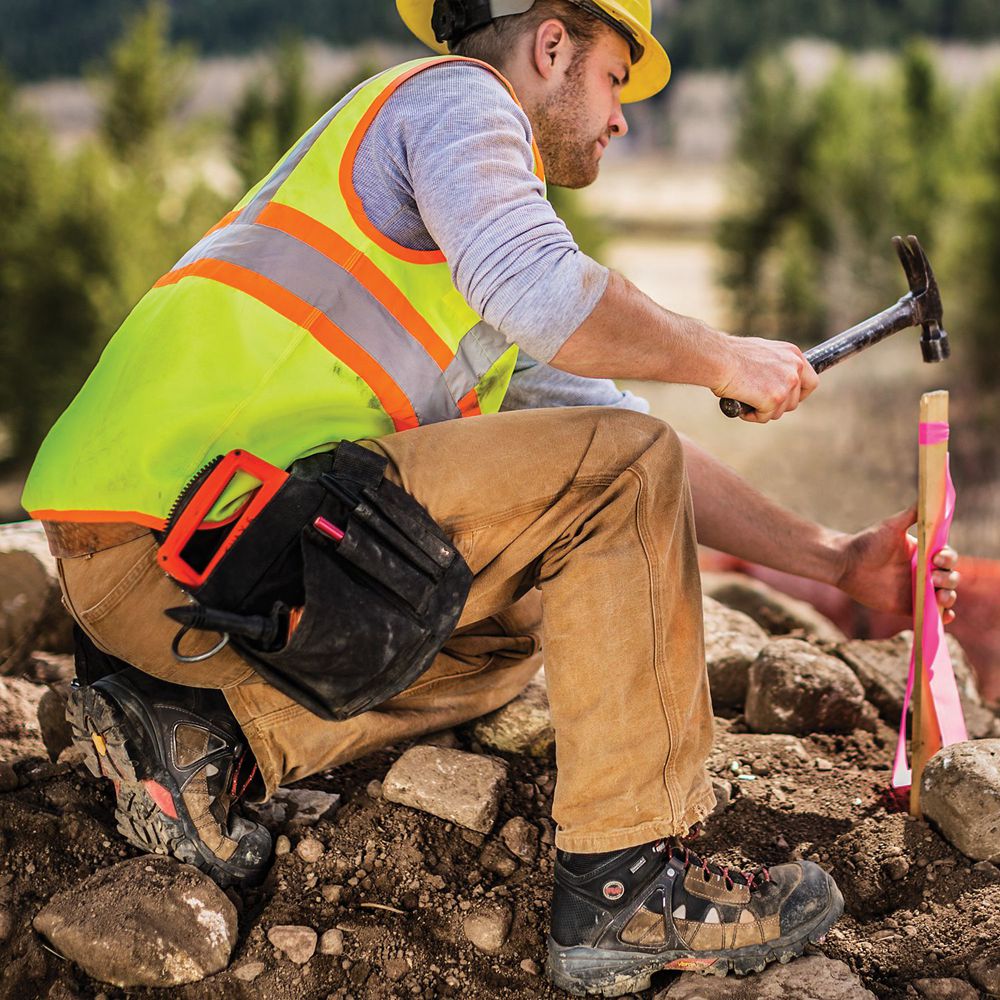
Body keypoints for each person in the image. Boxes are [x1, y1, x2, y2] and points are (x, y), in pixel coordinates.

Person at [22, 0, 960, 994]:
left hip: (180, 580)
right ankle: (625, 885)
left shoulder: (456, 269)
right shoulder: (457, 101)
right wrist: (725, 353)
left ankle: (211, 743)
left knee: (509, 625)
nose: (621, 117)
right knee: (616, 469)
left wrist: (834, 556)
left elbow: (633, 456)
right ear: (549, 43)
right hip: (171, 539)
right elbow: (560, 319)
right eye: (612, 78)